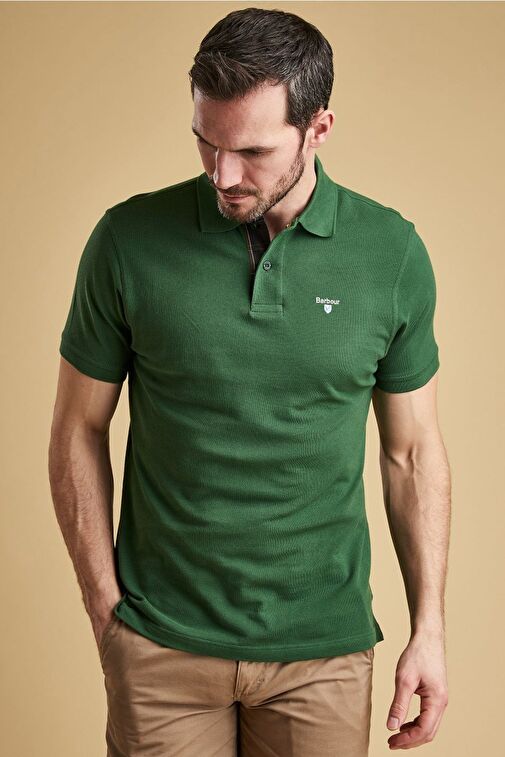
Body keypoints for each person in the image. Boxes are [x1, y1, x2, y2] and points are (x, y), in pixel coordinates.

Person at [48, 7, 450, 756]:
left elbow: (412, 453)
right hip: (161, 644)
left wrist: (428, 628)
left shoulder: (390, 254)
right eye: (206, 142)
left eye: (253, 151)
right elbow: (78, 427)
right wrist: (107, 614)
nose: (223, 174)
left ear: (318, 128)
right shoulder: (126, 241)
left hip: (323, 652)